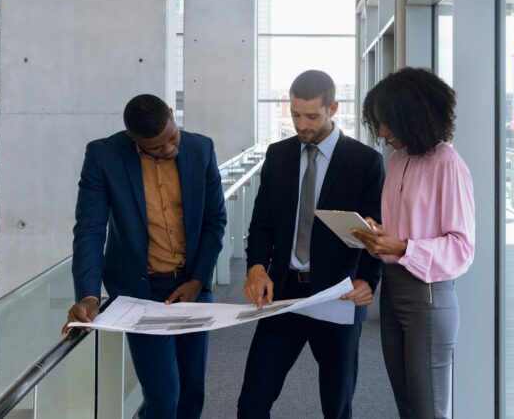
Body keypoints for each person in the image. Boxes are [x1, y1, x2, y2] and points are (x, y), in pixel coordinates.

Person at [65, 94, 227, 419]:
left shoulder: (201, 148)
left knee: (192, 393)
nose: (169, 149)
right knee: (164, 401)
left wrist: (197, 280)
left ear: (171, 115)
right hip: (142, 293)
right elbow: (90, 230)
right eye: (156, 147)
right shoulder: (103, 156)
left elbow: (215, 220)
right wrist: (88, 294)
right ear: (133, 139)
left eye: (172, 138)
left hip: (192, 289)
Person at [236, 70, 385, 419]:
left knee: (336, 406)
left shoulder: (365, 162)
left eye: (312, 116)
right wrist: (257, 266)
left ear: (332, 107)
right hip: (284, 293)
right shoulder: (279, 155)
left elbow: (377, 230)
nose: (301, 124)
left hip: (337, 296)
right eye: (295, 114)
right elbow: (261, 223)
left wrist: (369, 280)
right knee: (252, 401)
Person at [352, 67, 475, 419]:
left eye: (389, 122)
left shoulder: (447, 163)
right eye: (378, 122)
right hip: (393, 293)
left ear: (413, 116)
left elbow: (462, 248)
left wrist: (404, 247)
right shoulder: (397, 161)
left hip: (428, 296)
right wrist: (378, 232)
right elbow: (404, 227)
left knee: (428, 410)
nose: (383, 131)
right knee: (406, 406)